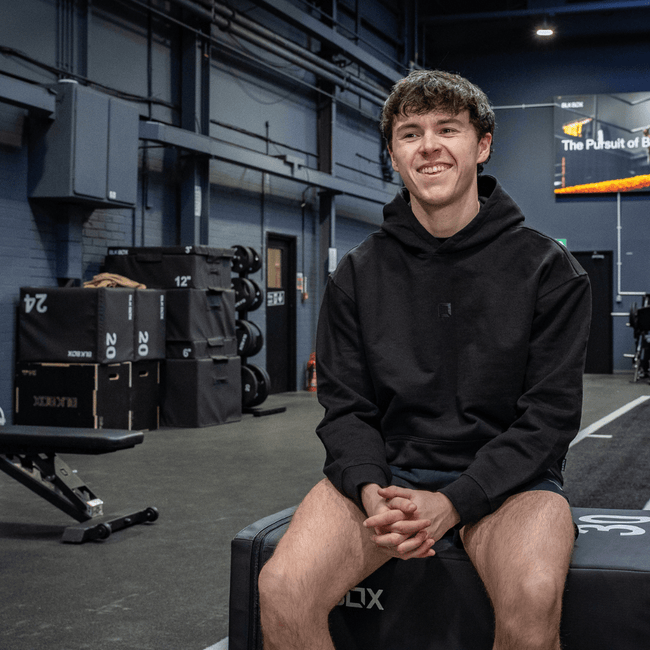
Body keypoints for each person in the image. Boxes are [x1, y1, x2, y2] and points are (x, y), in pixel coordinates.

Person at [258, 69, 591, 650]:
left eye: (448, 129)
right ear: (393, 155)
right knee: (282, 588)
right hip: (389, 477)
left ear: (482, 145)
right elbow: (345, 410)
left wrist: (456, 501)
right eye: (410, 133)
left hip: (513, 485)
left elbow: (549, 418)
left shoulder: (549, 272)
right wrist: (370, 490)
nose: (429, 146)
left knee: (533, 597)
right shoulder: (356, 276)